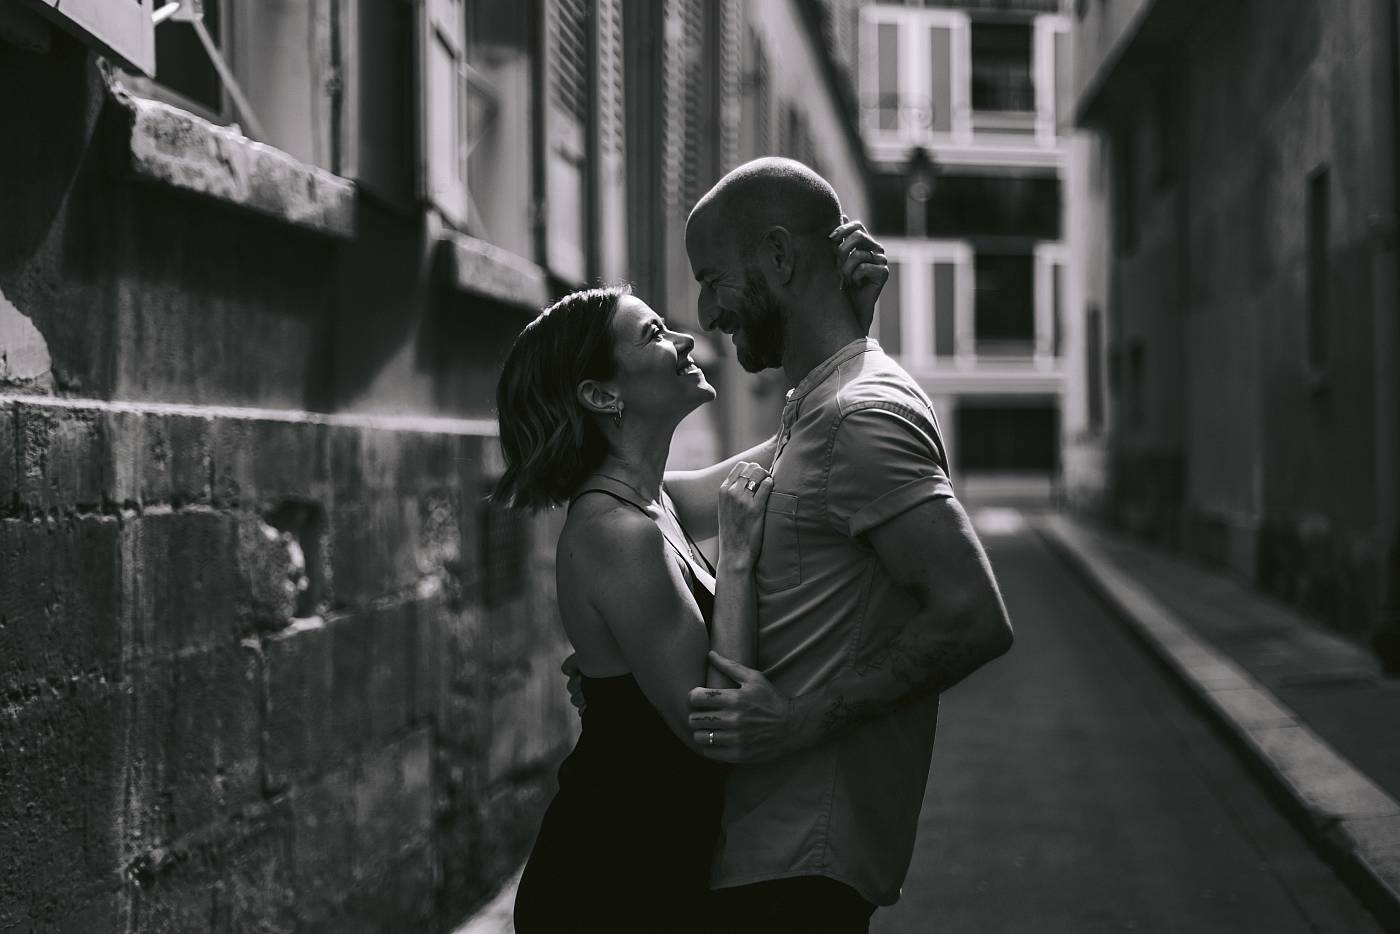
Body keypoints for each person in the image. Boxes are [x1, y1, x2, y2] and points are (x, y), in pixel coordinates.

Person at [497, 225, 886, 932]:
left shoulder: (654, 499)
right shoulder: (614, 532)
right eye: (651, 335)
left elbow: (802, 439)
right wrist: (734, 553)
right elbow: (714, 727)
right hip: (609, 883)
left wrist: (849, 327)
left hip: (657, 866)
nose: (682, 339)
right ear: (603, 395)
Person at [679, 157, 1015, 933]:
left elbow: (973, 617)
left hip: (803, 859)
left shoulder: (855, 417)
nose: (706, 312)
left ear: (781, 257)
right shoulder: (822, 408)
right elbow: (678, 499)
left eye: (712, 278)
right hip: (778, 845)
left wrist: (795, 721)